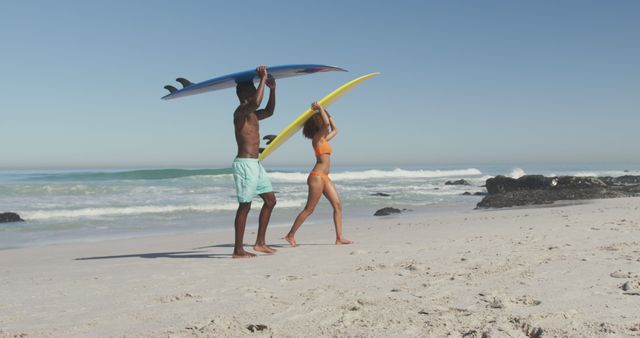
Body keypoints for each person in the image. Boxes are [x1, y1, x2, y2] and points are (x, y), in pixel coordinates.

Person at [284, 102, 353, 247]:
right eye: (323, 120)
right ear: (318, 124)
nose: (325, 123)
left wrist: (327, 113)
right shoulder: (316, 139)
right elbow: (326, 124)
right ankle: (290, 235)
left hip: (325, 177)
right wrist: (320, 108)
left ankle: (339, 237)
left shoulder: (323, 139)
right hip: (316, 177)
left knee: (338, 205)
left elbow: (336, 129)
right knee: (309, 209)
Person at [232, 65, 277, 258]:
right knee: (245, 206)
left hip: (256, 164)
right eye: (252, 89)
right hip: (244, 165)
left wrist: (272, 89)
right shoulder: (240, 112)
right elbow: (257, 103)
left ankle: (260, 243)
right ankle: (238, 249)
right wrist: (263, 79)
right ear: (244, 95)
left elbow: (269, 111)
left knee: (270, 200)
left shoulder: (253, 115)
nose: (255, 93)